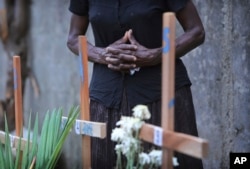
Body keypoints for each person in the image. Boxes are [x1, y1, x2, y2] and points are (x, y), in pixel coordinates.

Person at [67, 0, 205, 169]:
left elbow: (196, 31)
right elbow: (73, 38)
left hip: (161, 91)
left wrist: (155, 55)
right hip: (106, 97)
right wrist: (102, 54)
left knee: (169, 161)